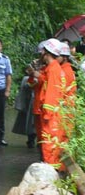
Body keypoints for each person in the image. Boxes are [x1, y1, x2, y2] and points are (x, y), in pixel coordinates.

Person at [31, 38, 66, 170]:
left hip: (50, 116)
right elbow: (45, 83)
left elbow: (51, 93)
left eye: (43, 52)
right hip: (52, 114)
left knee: (49, 143)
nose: (41, 55)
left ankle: (51, 172)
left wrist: (46, 114)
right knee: (50, 143)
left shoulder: (53, 70)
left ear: (47, 53)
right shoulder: (53, 68)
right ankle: (53, 170)